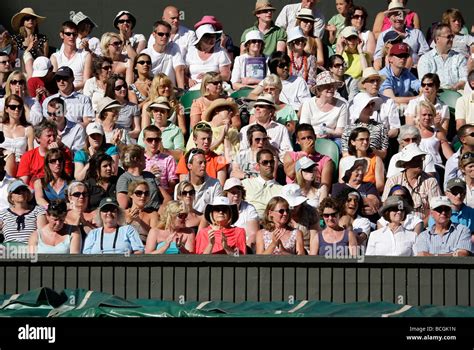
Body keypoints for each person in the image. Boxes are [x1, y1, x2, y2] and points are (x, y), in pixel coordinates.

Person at [383, 143, 442, 223]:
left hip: (424, 227)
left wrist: (420, 226)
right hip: (397, 225)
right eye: (415, 159)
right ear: (405, 164)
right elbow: (386, 207)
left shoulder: (431, 181)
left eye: (421, 159)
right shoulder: (393, 181)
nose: (420, 162)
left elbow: (436, 209)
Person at [17, 120, 73, 189]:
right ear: (38, 138)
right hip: (34, 192)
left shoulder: (63, 153)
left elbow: (67, 176)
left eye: (54, 135)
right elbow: (23, 183)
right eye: (48, 136)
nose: (52, 139)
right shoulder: (28, 156)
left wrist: (57, 152)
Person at [300, 71, 348, 145]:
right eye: (327, 85)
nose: (331, 88)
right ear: (318, 89)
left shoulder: (342, 105)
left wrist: (330, 135)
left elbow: (340, 131)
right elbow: (304, 128)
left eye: (333, 85)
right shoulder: (308, 104)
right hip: (310, 138)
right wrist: (315, 136)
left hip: (333, 139)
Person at [373, 1, 429, 67]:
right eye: (394, 15)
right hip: (390, 70)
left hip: (414, 70)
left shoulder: (417, 33)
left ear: (405, 16)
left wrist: (416, 64)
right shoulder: (383, 35)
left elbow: (425, 54)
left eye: (400, 15)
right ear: (389, 18)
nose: (398, 18)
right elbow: (378, 57)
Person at [239, 94, 293, 161]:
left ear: (271, 111)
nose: (257, 108)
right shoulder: (245, 129)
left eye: (261, 106)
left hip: (274, 165)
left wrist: (269, 147)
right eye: (256, 106)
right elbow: (242, 153)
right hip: (250, 165)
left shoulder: (281, 129)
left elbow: (287, 154)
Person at [116, 144, 170, 211]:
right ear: (136, 159)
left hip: (157, 213)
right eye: (143, 157)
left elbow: (167, 197)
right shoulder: (124, 179)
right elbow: (123, 207)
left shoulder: (150, 175)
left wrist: (162, 208)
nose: (145, 159)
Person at [418, 24, 467, 91]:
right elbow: (424, 82)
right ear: (437, 39)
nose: (451, 39)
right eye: (448, 37)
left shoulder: (459, 57)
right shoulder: (426, 59)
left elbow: (464, 78)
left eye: (452, 36)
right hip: (433, 95)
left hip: (456, 94)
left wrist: (454, 88)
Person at [284, 123, 333, 189]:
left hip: (314, 195)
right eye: (303, 138)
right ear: (298, 141)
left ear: (315, 138)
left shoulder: (326, 160)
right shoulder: (290, 155)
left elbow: (325, 186)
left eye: (309, 137)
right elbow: (290, 174)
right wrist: (304, 154)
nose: (307, 141)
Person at [355, 67, 400, 138]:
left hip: (384, 140)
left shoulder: (389, 102)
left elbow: (395, 129)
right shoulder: (358, 99)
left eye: (377, 80)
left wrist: (382, 138)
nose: (375, 83)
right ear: (364, 84)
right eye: (372, 81)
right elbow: (354, 123)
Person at [333, 156, 381, 222]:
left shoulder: (369, 185)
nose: (361, 173)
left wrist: (350, 201)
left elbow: (374, 203)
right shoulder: (337, 187)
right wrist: (363, 200)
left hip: (367, 221)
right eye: (357, 170)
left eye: (362, 170)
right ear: (349, 171)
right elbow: (337, 204)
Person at [141, 20, 185, 89]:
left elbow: (179, 69)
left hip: (170, 91)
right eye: (161, 34)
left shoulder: (174, 47)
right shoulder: (145, 54)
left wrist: (182, 92)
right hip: (152, 91)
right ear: (154, 34)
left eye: (167, 34)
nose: (164, 37)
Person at [0, 180, 46, 244]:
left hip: (31, 249)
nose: (21, 192)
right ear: (11, 197)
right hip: (9, 250)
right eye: (17, 191)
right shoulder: (3, 214)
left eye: (24, 190)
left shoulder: (38, 210)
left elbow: (43, 235)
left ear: (27, 193)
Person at [186, 23, 231, 89]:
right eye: (208, 36)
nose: (212, 39)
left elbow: (226, 76)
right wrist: (188, 80)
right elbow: (183, 73)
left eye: (213, 36)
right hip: (195, 88)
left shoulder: (221, 52)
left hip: (217, 88)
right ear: (200, 39)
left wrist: (210, 77)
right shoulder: (191, 52)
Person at [343, 94, 388, 159]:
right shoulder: (348, 129)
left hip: (374, 162)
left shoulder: (381, 127)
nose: (371, 107)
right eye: (367, 105)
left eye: (372, 104)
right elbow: (345, 154)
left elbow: (384, 154)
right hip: (354, 163)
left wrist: (369, 150)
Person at [50, 21, 92, 91]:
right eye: (68, 34)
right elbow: (54, 81)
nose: (71, 37)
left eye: (74, 34)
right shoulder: (55, 57)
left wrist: (70, 89)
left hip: (79, 97)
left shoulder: (86, 55)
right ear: (62, 35)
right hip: (61, 96)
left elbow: (86, 81)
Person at [343, 127, 385, 194]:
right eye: (361, 139)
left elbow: (380, 186)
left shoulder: (376, 160)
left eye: (367, 139)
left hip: (368, 194)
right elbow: (341, 183)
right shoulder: (345, 161)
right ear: (353, 142)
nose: (365, 142)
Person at [242, 149, 282, 218]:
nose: (269, 165)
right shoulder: (246, 184)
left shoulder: (281, 189)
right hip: (249, 221)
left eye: (271, 162)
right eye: (265, 162)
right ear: (258, 165)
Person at [223, 177, 259, 251]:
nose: (236, 195)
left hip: (244, 248)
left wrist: (244, 252)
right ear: (226, 194)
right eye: (233, 192)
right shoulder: (220, 209)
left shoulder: (249, 208)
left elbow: (253, 234)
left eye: (238, 192)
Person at [416, 100, 453, 171]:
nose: (427, 117)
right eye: (424, 115)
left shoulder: (438, 133)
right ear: (418, 115)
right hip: (418, 166)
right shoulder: (413, 132)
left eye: (430, 115)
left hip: (436, 166)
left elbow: (449, 155)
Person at [281, 183, 318, 252]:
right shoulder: (279, 213)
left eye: (296, 205)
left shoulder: (310, 212)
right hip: (284, 249)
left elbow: (314, 238)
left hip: (306, 250)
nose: (292, 208)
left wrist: (312, 258)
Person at [0, 94, 34, 170]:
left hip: (21, 166)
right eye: (13, 107)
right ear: (6, 109)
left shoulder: (28, 129)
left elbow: (30, 154)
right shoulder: (0, 127)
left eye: (19, 107)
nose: (16, 110)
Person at [104, 74, 140, 140]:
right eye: (118, 88)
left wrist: (124, 134)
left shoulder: (133, 107)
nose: (123, 89)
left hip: (126, 139)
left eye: (124, 86)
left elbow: (137, 130)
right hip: (108, 137)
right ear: (112, 89)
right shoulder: (104, 105)